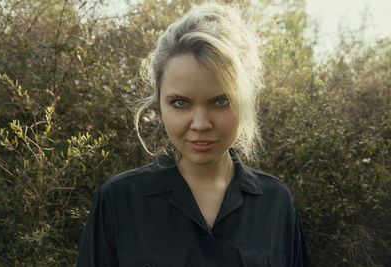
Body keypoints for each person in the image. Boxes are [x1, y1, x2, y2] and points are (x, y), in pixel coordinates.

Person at [77, 3, 310, 266]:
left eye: (221, 101)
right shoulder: (118, 201)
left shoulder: (276, 203)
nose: (200, 124)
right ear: (159, 104)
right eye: (180, 103)